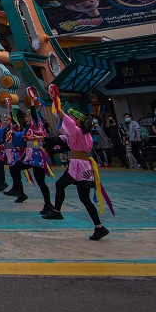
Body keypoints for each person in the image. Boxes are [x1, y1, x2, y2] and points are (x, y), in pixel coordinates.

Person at [42, 103, 110, 241]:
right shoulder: (82, 133)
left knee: (83, 197)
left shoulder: (77, 131)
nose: (70, 120)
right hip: (79, 164)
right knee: (63, 186)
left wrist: (56, 103)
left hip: (80, 166)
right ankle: (58, 212)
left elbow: (64, 118)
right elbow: (64, 138)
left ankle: (99, 227)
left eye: (73, 118)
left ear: (77, 120)